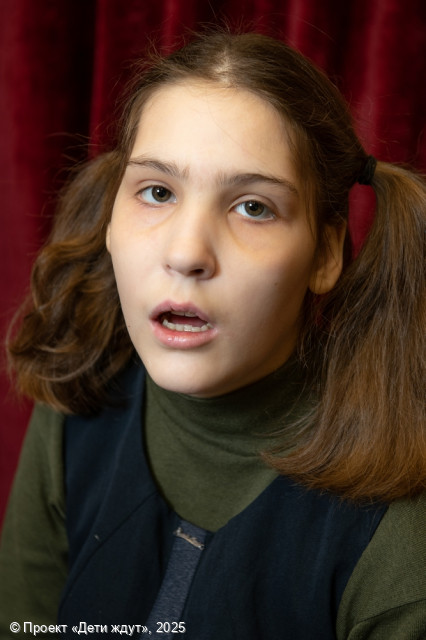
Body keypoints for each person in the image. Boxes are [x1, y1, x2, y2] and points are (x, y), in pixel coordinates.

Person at [0, 30, 425, 640]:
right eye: (157, 192)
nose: (187, 253)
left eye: (253, 207)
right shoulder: (78, 397)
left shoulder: (400, 541)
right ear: (111, 219)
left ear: (325, 255)